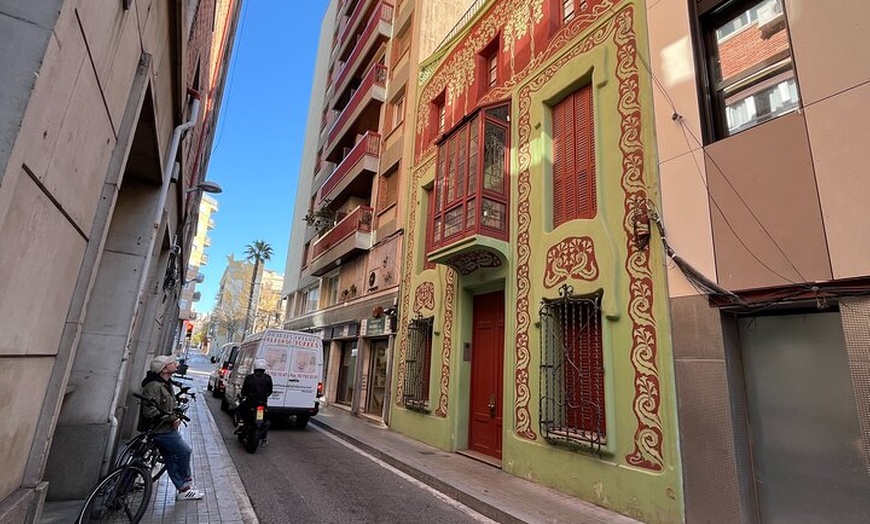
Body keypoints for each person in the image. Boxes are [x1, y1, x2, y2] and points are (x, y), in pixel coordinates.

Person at [139, 355, 205, 500]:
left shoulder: (165, 383)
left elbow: (170, 404)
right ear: (164, 369)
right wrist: (172, 418)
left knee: (170, 457)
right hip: (161, 430)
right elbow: (150, 412)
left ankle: (183, 489)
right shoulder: (154, 386)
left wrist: (176, 415)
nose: (176, 364)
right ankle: (186, 484)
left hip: (165, 428)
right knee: (184, 452)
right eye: (172, 363)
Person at [238, 359, 273, 445]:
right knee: (266, 420)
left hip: (250, 403)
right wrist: (265, 396)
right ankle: (264, 439)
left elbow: (244, 391)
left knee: (239, 409)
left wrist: (243, 396)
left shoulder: (250, 378)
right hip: (262, 403)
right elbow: (270, 391)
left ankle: (241, 422)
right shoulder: (268, 378)